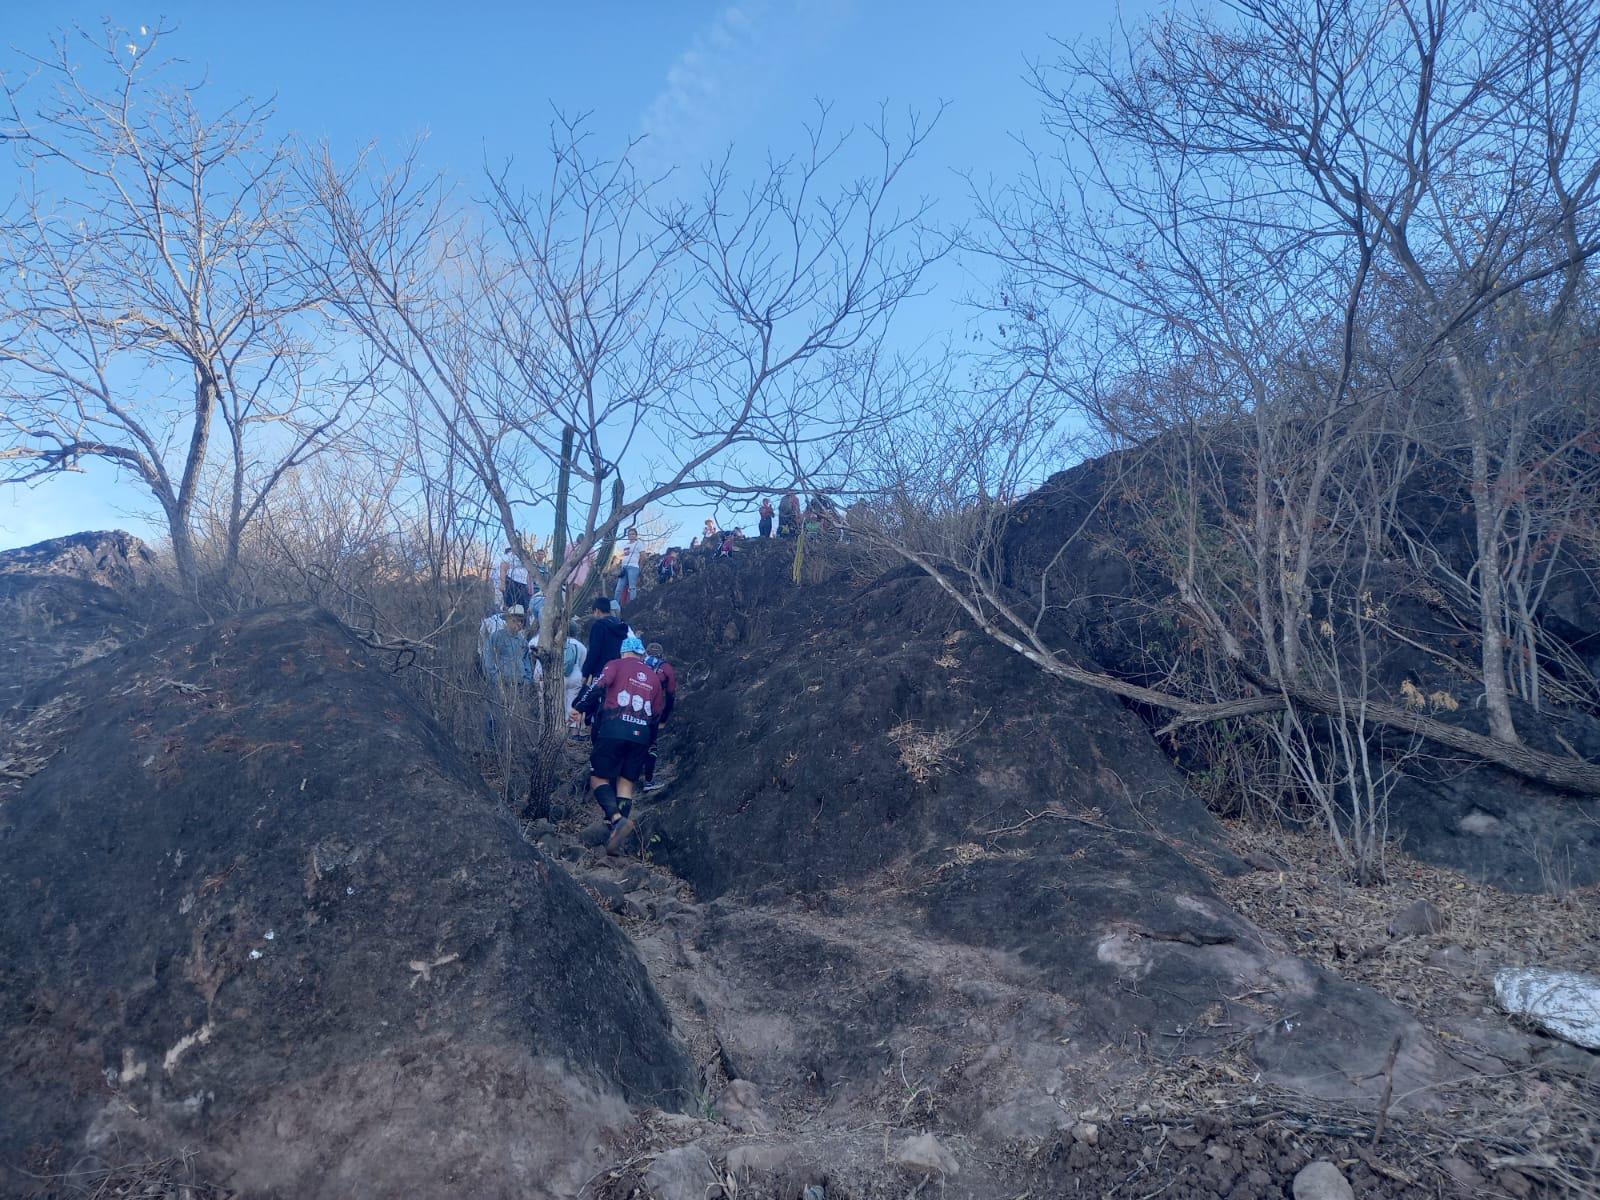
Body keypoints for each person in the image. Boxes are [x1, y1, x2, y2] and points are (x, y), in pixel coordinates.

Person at [571, 636, 664, 853]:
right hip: (641, 733)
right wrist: (650, 742)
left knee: (598, 777)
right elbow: (657, 712)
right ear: (642, 654)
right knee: (626, 782)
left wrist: (580, 707)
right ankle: (616, 832)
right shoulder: (653, 677)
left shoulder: (614, 665)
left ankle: (615, 819)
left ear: (623, 652)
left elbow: (599, 686)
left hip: (614, 727)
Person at [643, 641, 677, 791]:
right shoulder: (666, 668)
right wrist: (663, 718)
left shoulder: (638, 664)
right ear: (662, 654)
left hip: (631, 708)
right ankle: (648, 781)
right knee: (651, 745)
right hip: (653, 711)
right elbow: (670, 695)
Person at [582, 597, 631, 683]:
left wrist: (585, 673)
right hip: (618, 672)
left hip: (601, 672)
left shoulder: (599, 626)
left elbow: (594, 651)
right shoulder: (621, 625)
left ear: (597, 610)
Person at [614, 526, 642, 607]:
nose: (631, 536)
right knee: (619, 588)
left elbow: (643, 556)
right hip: (624, 567)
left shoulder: (639, 543)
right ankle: (615, 606)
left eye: (633, 534)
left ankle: (632, 606)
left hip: (633, 567)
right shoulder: (626, 544)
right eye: (629, 534)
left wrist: (639, 566)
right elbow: (624, 555)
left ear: (636, 535)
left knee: (632, 587)